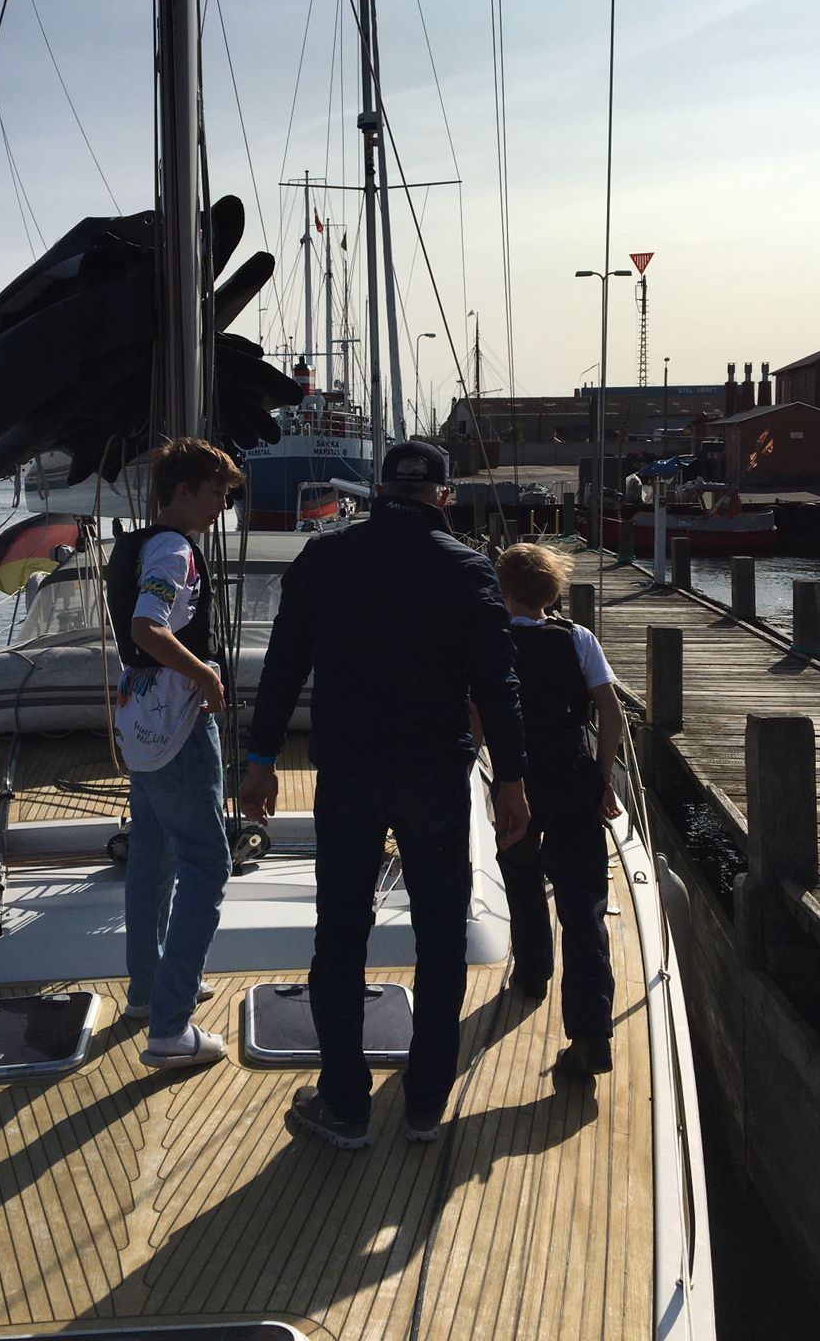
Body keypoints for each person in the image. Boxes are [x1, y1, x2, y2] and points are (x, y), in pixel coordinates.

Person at [240, 439, 529, 1149]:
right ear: (443, 495)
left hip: (348, 773)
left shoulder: (324, 558)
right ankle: (426, 1104)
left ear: (377, 490)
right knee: (440, 936)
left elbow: (282, 667)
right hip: (434, 775)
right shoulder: (468, 569)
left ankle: (345, 1106)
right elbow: (498, 686)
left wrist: (260, 758)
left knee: (341, 936)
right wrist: (512, 781)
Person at [113, 436, 244, 1070]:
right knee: (206, 864)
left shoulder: (135, 545)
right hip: (179, 721)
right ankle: (170, 1026)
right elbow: (148, 626)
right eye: (217, 493)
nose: (223, 505)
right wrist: (206, 677)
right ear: (184, 491)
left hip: (140, 719)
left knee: (151, 853)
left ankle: (148, 989)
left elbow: (134, 634)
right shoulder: (174, 551)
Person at [490, 542, 620, 1076]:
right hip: (572, 771)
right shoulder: (578, 638)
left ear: (503, 590)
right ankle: (591, 1034)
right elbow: (611, 715)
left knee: (520, 871)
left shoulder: (494, 641)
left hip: (516, 774)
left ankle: (532, 971)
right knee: (583, 901)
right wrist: (603, 780)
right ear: (552, 590)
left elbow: (476, 715)